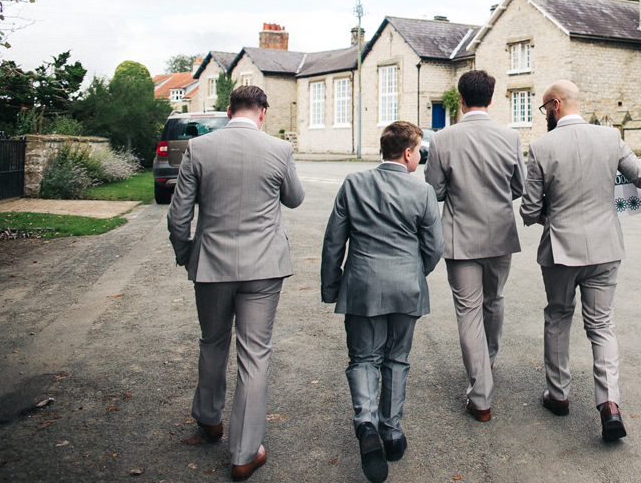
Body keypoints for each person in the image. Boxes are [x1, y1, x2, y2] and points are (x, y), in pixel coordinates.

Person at [167, 85, 305, 482]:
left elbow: (179, 218)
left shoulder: (200, 149)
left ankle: (209, 418)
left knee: (212, 341)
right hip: (263, 268)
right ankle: (244, 454)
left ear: (229, 111)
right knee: (255, 353)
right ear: (262, 112)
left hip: (211, 265)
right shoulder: (278, 149)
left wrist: (187, 253)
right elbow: (294, 199)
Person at [520, 80, 641, 442]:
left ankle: (558, 396)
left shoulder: (541, 147)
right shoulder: (610, 138)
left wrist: (549, 218)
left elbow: (528, 210)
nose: (544, 115)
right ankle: (610, 405)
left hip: (560, 250)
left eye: (544, 109)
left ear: (555, 105)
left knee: (558, 316)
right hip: (605, 248)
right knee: (601, 325)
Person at [321, 121, 445, 483]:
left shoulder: (354, 184)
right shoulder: (422, 192)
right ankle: (391, 433)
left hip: (361, 285)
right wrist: (414, 272)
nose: (420, 158)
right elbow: (435, 248)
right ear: (407, 153)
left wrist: (332, 287)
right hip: (406, 286)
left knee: (363, 357)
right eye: (419, 152)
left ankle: (366, 422)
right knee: (396, 358)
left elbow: (334, 242)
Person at [423, 69, 526, 422]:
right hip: (500, 235)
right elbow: (518, 187)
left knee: (468, 310)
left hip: (460, 237)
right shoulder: (510, 136)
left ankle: (480, 395)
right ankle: (489, 357)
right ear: (492, 99)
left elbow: (434, 191)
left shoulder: (442, 139)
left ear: (461, 99)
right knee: (494, 300)